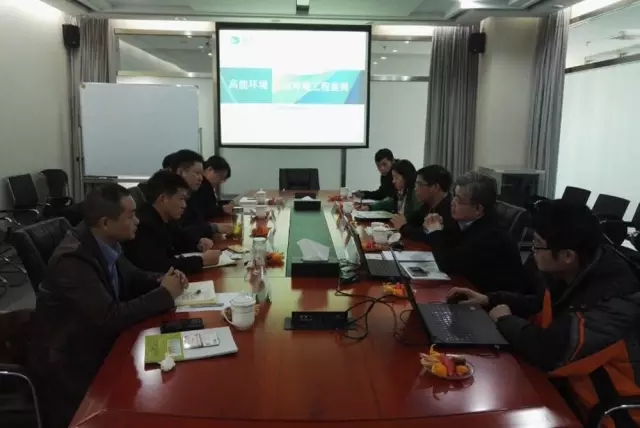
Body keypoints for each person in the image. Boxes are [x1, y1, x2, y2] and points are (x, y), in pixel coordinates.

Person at [447, 200, 640, 427]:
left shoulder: (614, 299)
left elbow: (550, 351)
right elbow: (541, 304)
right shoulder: (575, 271)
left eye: (538, 245)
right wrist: (490, 300)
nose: (533, 251)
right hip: (563, 391)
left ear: (567, 255)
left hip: (605, 415)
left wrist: (505, 320)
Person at [28, 184, 187, 428]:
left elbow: (132, 276)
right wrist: (165, 293)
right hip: (73, 363)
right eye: (130, 216)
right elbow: (109, 318)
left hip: (97, 342)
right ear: (105, 223)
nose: (137, 221)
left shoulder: (105, 242)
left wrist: (163, 279)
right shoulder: (72, 261)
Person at [424, 171, 528, 293]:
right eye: (454, 196)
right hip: (469, 287)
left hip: (492, 299)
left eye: (458, 200)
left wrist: (435, 232)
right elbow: (448, 243)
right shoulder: (465, 220)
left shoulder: (491, 236)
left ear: (478, 209)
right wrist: (435, 228)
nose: (452, 203)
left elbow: (448, 264)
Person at [123, 171, 221, 274]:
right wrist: (201, 260)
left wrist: (198, 243)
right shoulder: (144, 225)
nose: (184, 205)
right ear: (163, 199)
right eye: (181, 199)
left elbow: (178, 240)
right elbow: (159, 266)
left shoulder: (164, 219)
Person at [167, 149, 233, 240]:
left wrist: (200, 241)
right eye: (197, 173)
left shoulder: (190, 195)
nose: (201, 178)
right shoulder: (169, 198)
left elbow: (194, 224)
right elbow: (181, 233)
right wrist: (214, 228)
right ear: (181, 172)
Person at [397, 165, 457, 242]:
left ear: (435, 187)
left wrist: (403, 227)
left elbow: (427, 236)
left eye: (419, 184)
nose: (415, 189)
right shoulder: (428, 205)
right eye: (415, 185)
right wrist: (404, 222)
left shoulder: (450, 209)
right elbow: (414, 221)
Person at [356, 160, 422, 219]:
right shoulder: (401, 192)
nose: (393, 181)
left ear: (406, 177)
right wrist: (370, 207)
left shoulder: (415, 194)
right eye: (393, 177)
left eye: (396, 177)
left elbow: (413, 220)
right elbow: (391, 202)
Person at [188, 154, 234, 220]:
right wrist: (222, 209)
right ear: (210, 170)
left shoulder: (207, 186)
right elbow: (202, 211)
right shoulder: (201, 186)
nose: (221, 182)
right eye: (220, 176)